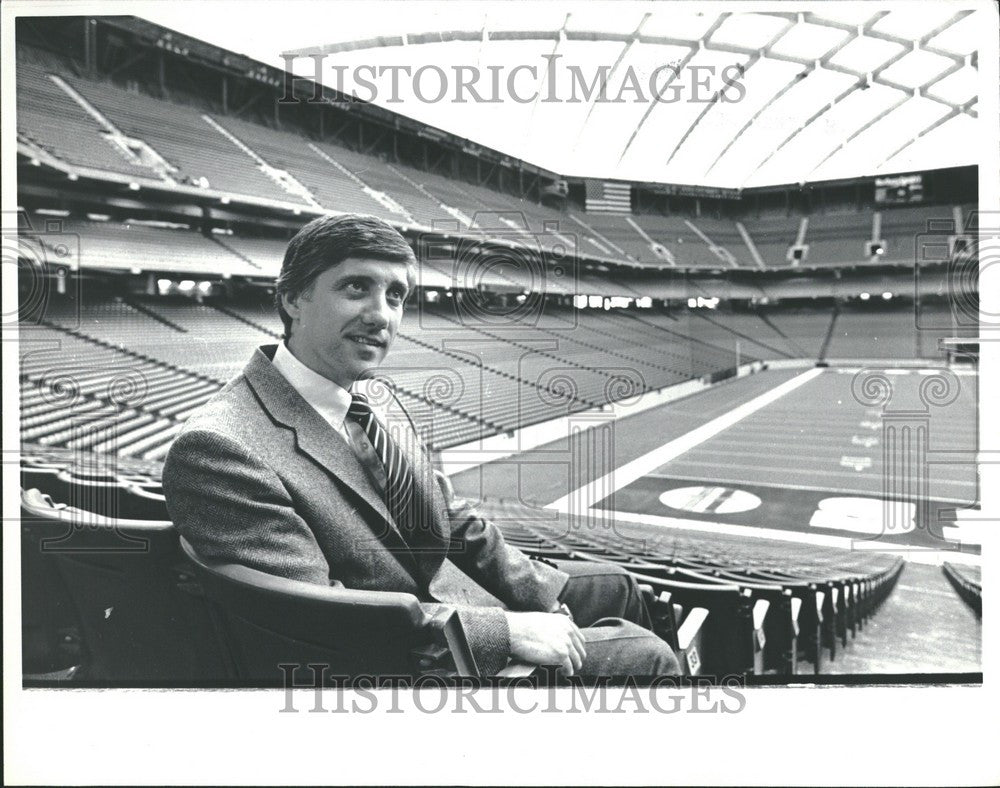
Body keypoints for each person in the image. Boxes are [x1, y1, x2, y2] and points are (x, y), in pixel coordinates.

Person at [163, 213, 679, 678]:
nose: (380, 315)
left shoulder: (368, 400)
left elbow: (452, 519)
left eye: (395, 296)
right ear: (293, 298)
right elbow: (320, 619)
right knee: (646, 653)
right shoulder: (220, 449)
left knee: (618, 585)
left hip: (437, 605)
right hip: (395, 664)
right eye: (356, 288)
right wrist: (506, 631)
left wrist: (541, 597)